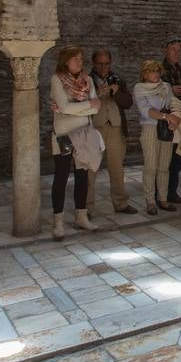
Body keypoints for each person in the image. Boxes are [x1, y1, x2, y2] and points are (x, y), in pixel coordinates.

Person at [49, 46, 101, 239]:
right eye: (75, 59)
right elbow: (64, 107)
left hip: (84, 133)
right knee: (61, 178)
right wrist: (87, 105)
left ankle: (81, 217)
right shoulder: (57, 80)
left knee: (82, 177)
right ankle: (58, 223)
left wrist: (74, 108)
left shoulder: (87, 80)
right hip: (63, 134)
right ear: (65, 61)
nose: (79, 62)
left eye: (80, 58)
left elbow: (96, 108)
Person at [87, 49, 138, 215]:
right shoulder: (86, 80)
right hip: (94, 129)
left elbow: (128, 103)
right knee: (90, 170)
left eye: (106, 63)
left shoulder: (118, 79)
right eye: (100, 64)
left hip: (115, 128)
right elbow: (81, 104)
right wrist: (97, 94)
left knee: (117, 169)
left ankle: (121, 203)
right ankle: (86, 208)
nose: (103, 67)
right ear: (93, 63)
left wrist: (116, 92)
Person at [133, 60, 181, 215]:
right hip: (150, 128)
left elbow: (173, 105)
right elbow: (145, 110)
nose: (155, 74)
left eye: (157, 71)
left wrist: (175, 120)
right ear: (145, 74)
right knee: (151, 167)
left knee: (164, 166)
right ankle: (150, 201)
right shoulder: (139, 88)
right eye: (151, 71)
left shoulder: (166, 86)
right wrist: (166, 117)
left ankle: (163, 199)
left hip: (166, 128)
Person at [160, 37, 181, 205]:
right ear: (166, 50)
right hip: (166, 120)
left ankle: (172, 192)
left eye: (179, 50)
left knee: (178, 159)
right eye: (173, 49)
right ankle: (161, 194)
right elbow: (155, 92)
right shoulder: (159, 69)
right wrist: (170, 89)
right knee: (165, 159)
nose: (176, 53)